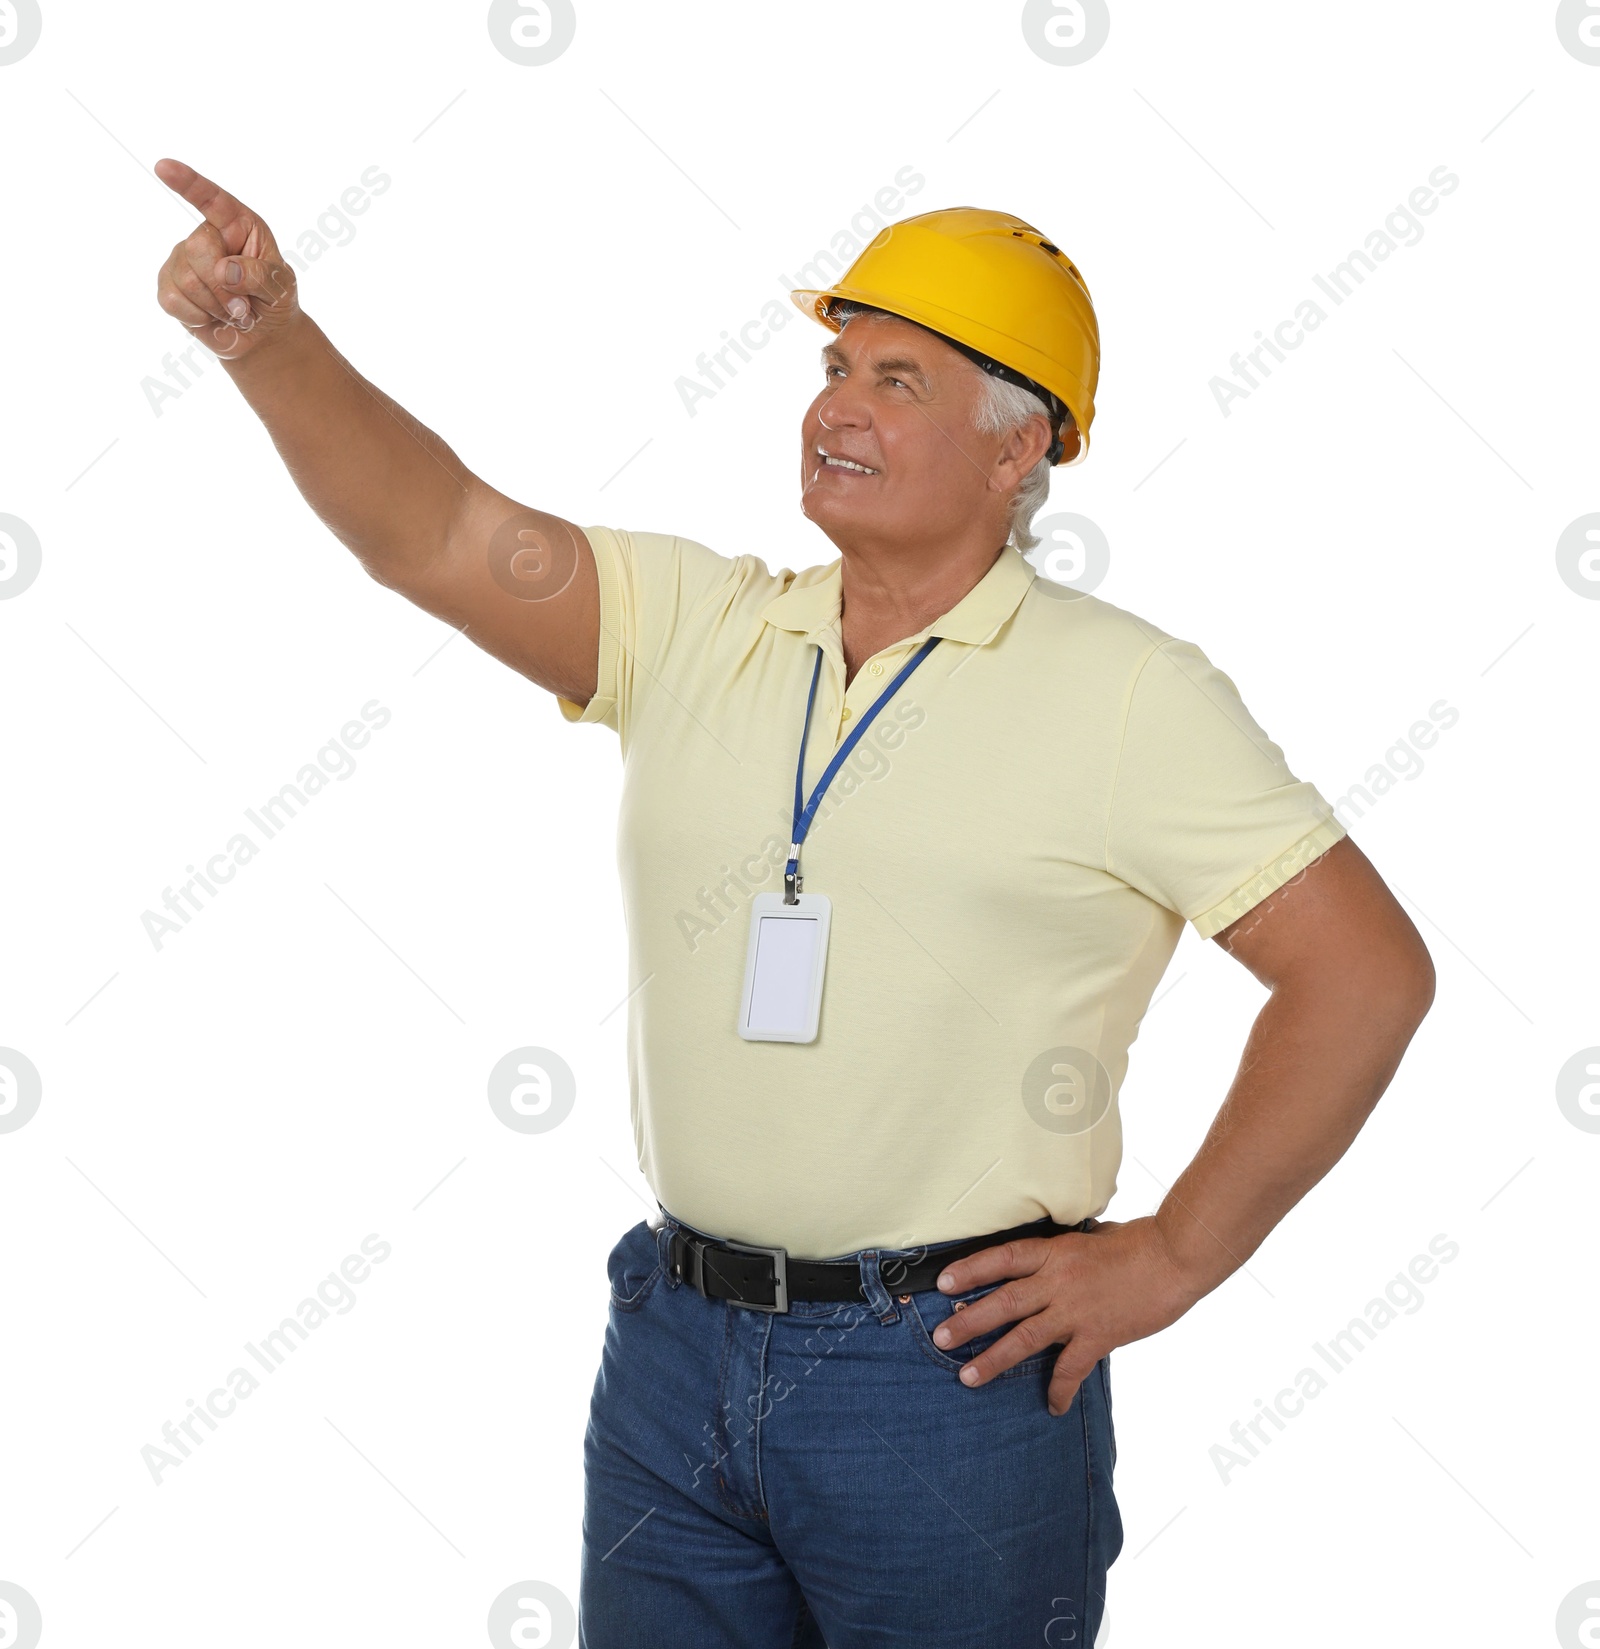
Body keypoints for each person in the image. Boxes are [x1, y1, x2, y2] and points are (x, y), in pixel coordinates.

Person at [153, 162, 1436, 1648]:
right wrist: (270, 341)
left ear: (1021, 446)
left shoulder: (1130, 695)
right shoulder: (699, 624)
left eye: (899, 377)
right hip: (672, 1355)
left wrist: (1172, 1255)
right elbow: (433, 531)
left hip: (944, 1379)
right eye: (835, 366)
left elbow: (1363, 974)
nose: (837, 406)